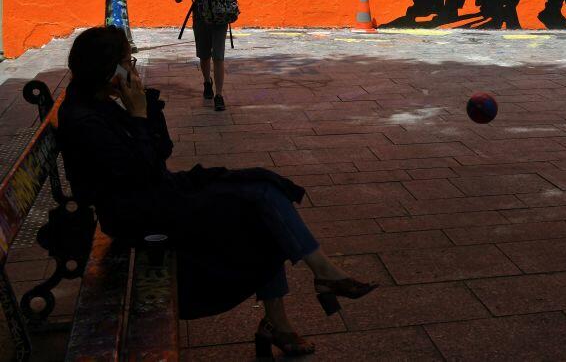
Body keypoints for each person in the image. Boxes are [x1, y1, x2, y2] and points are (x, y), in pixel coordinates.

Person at [56, 27, 378, 357]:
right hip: (139, 217)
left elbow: (161, 150)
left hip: (155, 197)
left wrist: (142, 109)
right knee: (261, 204)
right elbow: (144, 171)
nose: (133, 67)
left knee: (263, 186)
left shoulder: (100, 103)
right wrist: (138, 116)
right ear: (108, 69)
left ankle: (299, 302)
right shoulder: (85, 120)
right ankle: (315, 284)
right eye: (127, 61)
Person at [174, 0, 236, 111]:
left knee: (218, 56)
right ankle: (207, 82)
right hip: (200, 20)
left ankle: (219, 95)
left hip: (219, 19)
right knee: (204, 55)